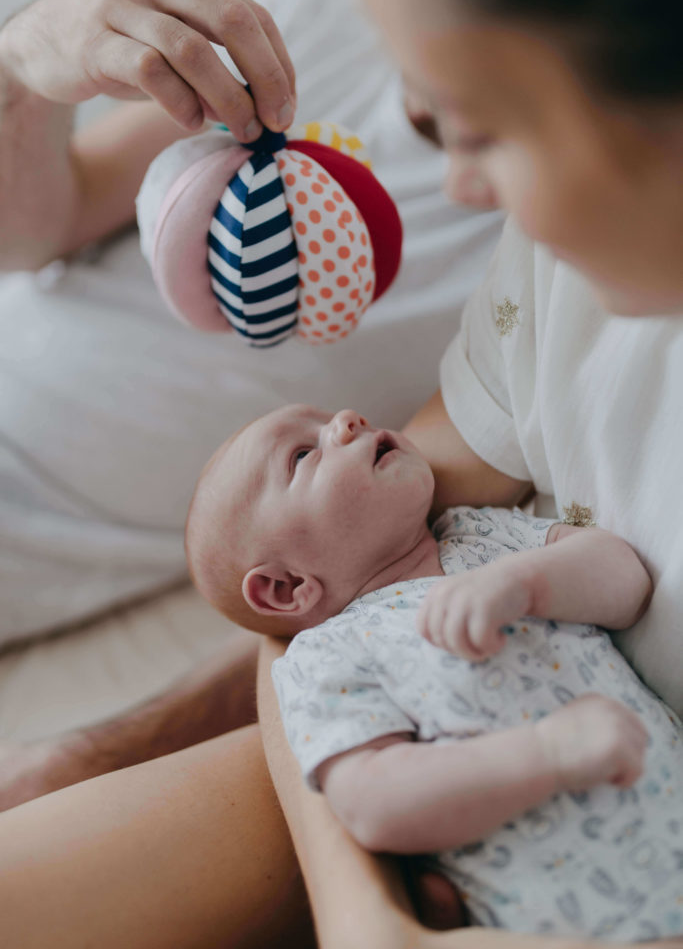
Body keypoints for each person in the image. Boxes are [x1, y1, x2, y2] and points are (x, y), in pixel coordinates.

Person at [0, 0, 682, 947]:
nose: (455, 179)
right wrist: (360, 905)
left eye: (471, 126)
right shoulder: (538, 272)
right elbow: (331, 606)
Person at [184, 400, 682, 941]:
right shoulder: (322, 657)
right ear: (286, 587)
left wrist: (526, 582)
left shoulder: (478, 534)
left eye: (326, 419)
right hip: (580, 917)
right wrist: (548, 754)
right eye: (303, 454)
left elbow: (627, 583)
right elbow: (371, 802)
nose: (347, 418)